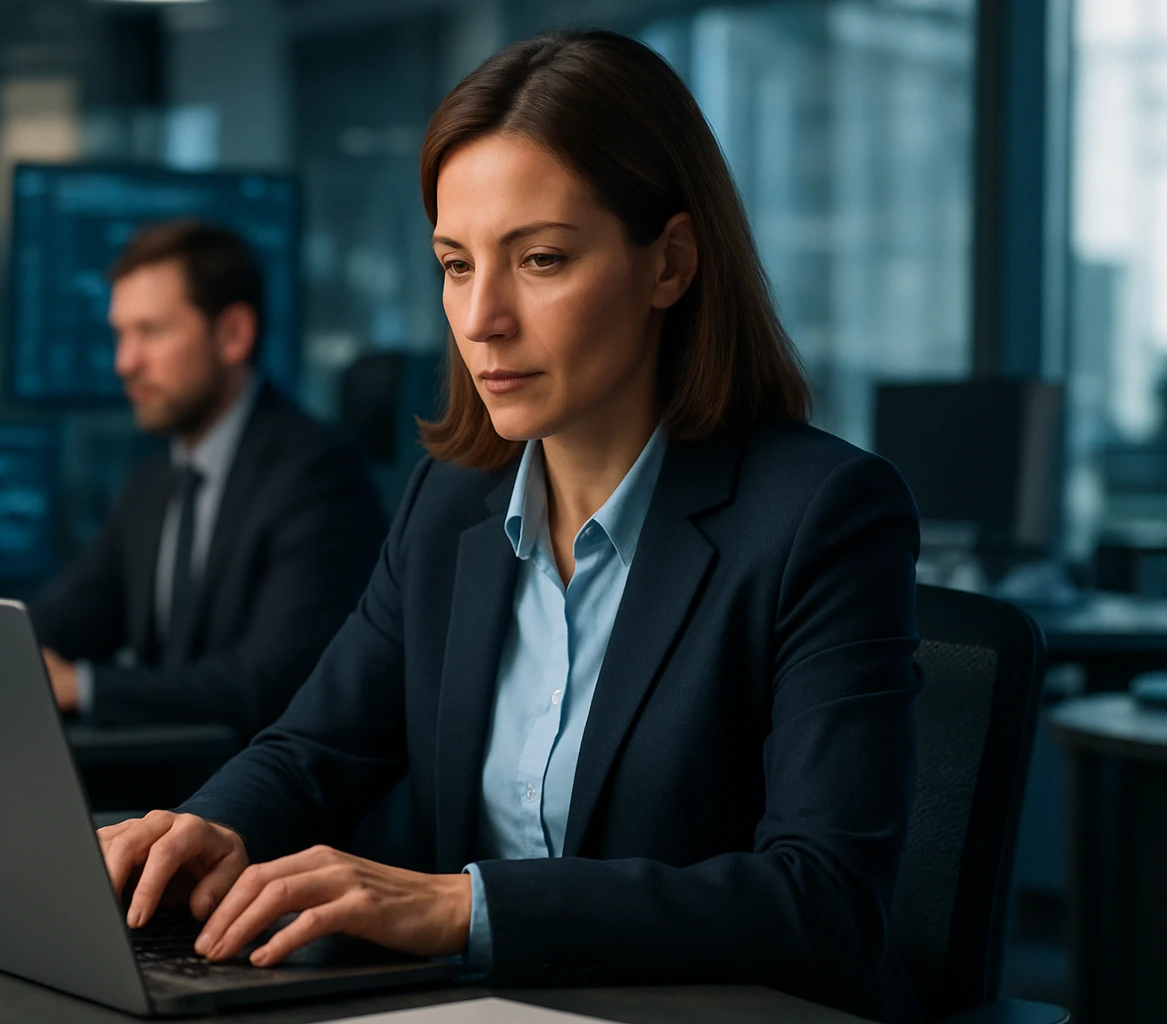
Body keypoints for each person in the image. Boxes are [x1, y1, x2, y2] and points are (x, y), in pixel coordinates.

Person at [95, 31, 921, 1024]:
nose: (480, 317)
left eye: (539, 259)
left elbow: (823, 901)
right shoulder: (450, 502)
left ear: (670, 263)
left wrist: (465, 905)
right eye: (454, 264)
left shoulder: (823, 516)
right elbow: (316, 747)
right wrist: (207, 825)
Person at [30, 220, 385, 739]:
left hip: (260, 803)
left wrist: (85, 687)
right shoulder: (151, 483)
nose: (124, 362)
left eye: (150, 331)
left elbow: (268, 681)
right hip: (165, 792)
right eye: (120, 334)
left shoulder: (319, 475)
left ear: (233, 335)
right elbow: (74, 613)